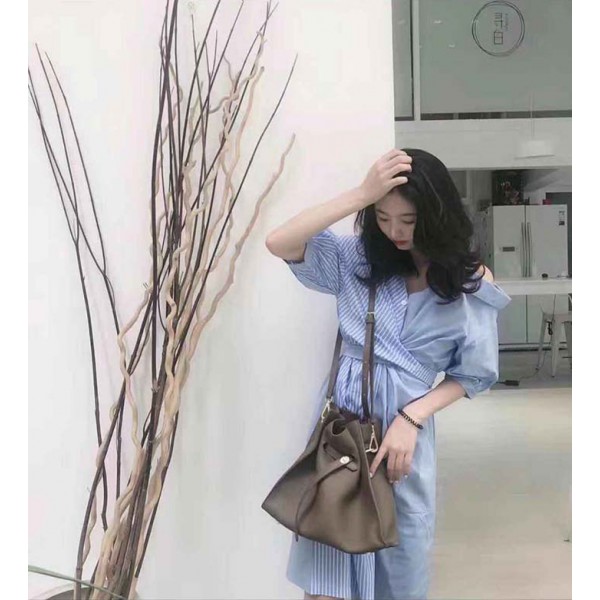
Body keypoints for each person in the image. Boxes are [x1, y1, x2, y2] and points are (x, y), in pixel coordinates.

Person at [265, 148, 511, 600]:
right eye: (382, 217)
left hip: (400, 443)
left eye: (408, 220)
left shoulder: (468, 282)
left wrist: (412, 418)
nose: (395, 231)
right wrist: (361, 194)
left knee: (399, 568)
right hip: (342, 435)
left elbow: (474, 374)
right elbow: (279, 242)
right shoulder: (358, 260)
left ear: (435, 215)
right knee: (327, 574)